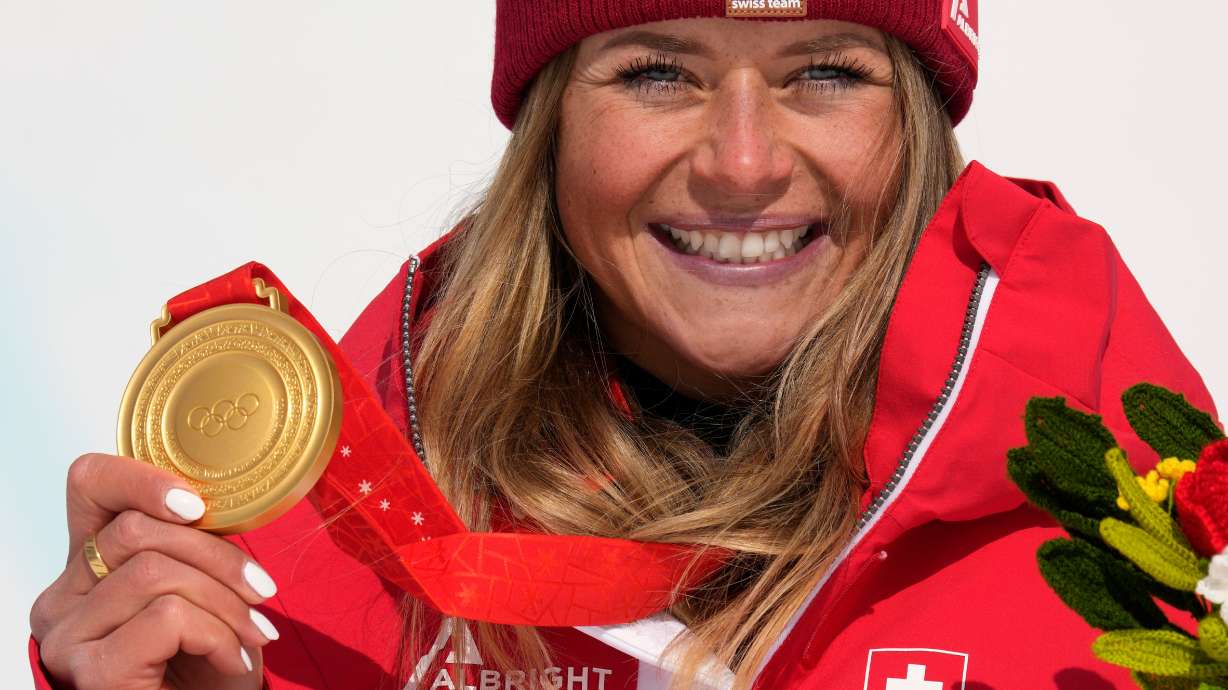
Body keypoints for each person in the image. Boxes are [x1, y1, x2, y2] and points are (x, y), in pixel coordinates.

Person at [26, 2, 1223, 689]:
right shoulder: (325, 548)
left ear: (915, 129)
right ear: (551, 126)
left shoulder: (1136, 535)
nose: (742, 163)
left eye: (824, 73)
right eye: (656, 73)